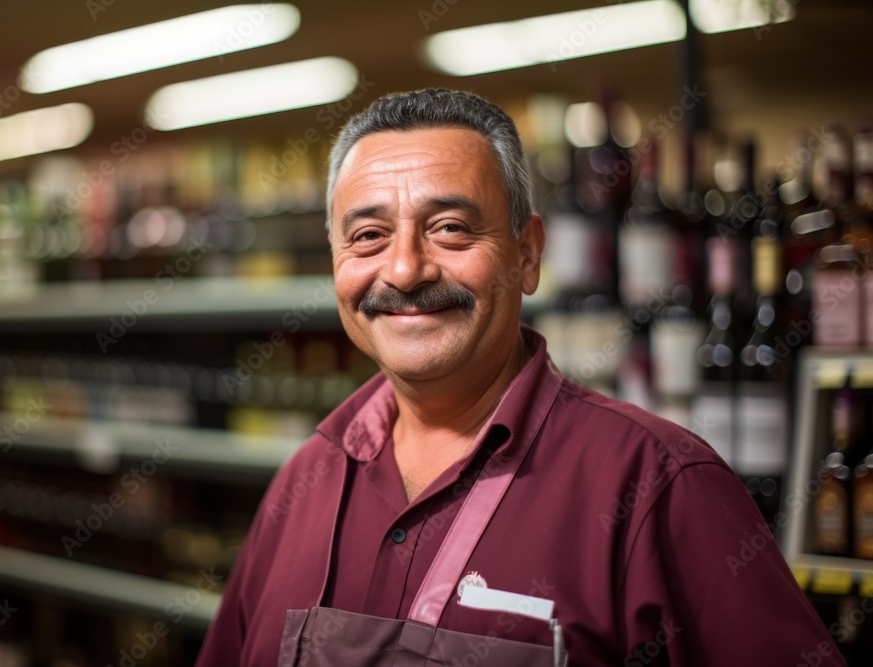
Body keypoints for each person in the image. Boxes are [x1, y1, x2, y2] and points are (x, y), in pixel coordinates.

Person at [195, 88, 843, 666]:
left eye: (450, 228)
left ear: (528, 254)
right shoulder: (302, 483)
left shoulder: (660, 486)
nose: (404, 270)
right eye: (368, 235)